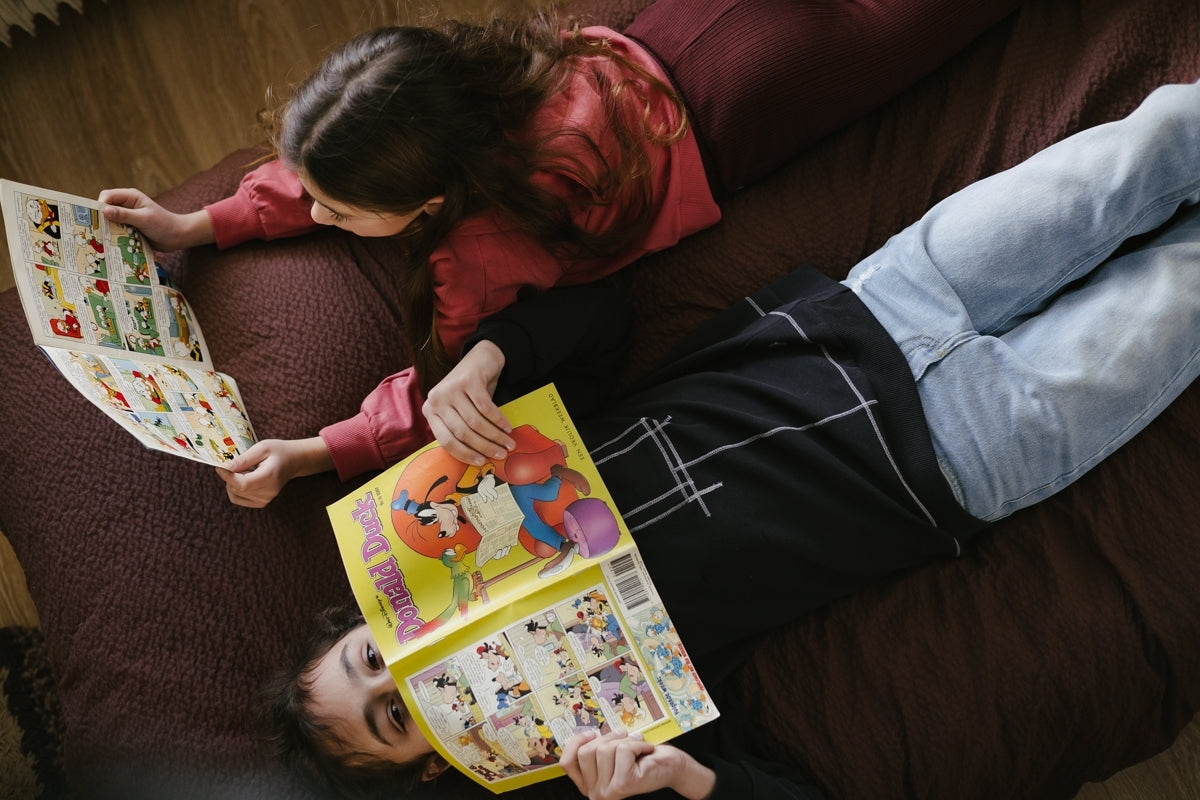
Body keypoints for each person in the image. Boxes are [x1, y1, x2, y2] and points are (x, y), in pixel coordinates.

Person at [261, 78, 1200, 800]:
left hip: (874, 307)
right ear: (435, 764)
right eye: (396, 716)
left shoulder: (461, 484)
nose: (409, 674)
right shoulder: (605, 736)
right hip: (960, 455)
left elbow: (603, 320)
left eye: (372, 659)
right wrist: (684, 780)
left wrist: (490, 357)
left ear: (369, 619)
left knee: (1154, 142)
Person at [97, 0, 1023, 508]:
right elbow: (324, 170)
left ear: (426, 204)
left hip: (746, 108)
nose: (316, 214)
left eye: (337, 212)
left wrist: (309, 453)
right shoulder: (458, 82)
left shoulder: (473, 256)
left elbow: (440, 397)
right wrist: (202, 224)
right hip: (685, 29)